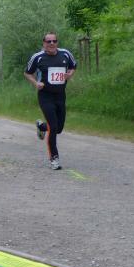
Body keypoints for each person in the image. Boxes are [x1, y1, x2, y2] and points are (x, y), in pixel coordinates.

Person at [24, 32, 77, 170]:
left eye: (54, 41)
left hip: (60, 95)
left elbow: (73, 66)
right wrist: (36, 83)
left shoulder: (65, 54)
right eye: (49, 41)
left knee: (58, 129)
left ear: (57, 42)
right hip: (45, 96)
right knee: (53, 127)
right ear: (44, 43)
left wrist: (69, 75)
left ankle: (41, 126)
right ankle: (54, 159)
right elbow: (27, 73)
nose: (52, 43)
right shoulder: (38, 57)